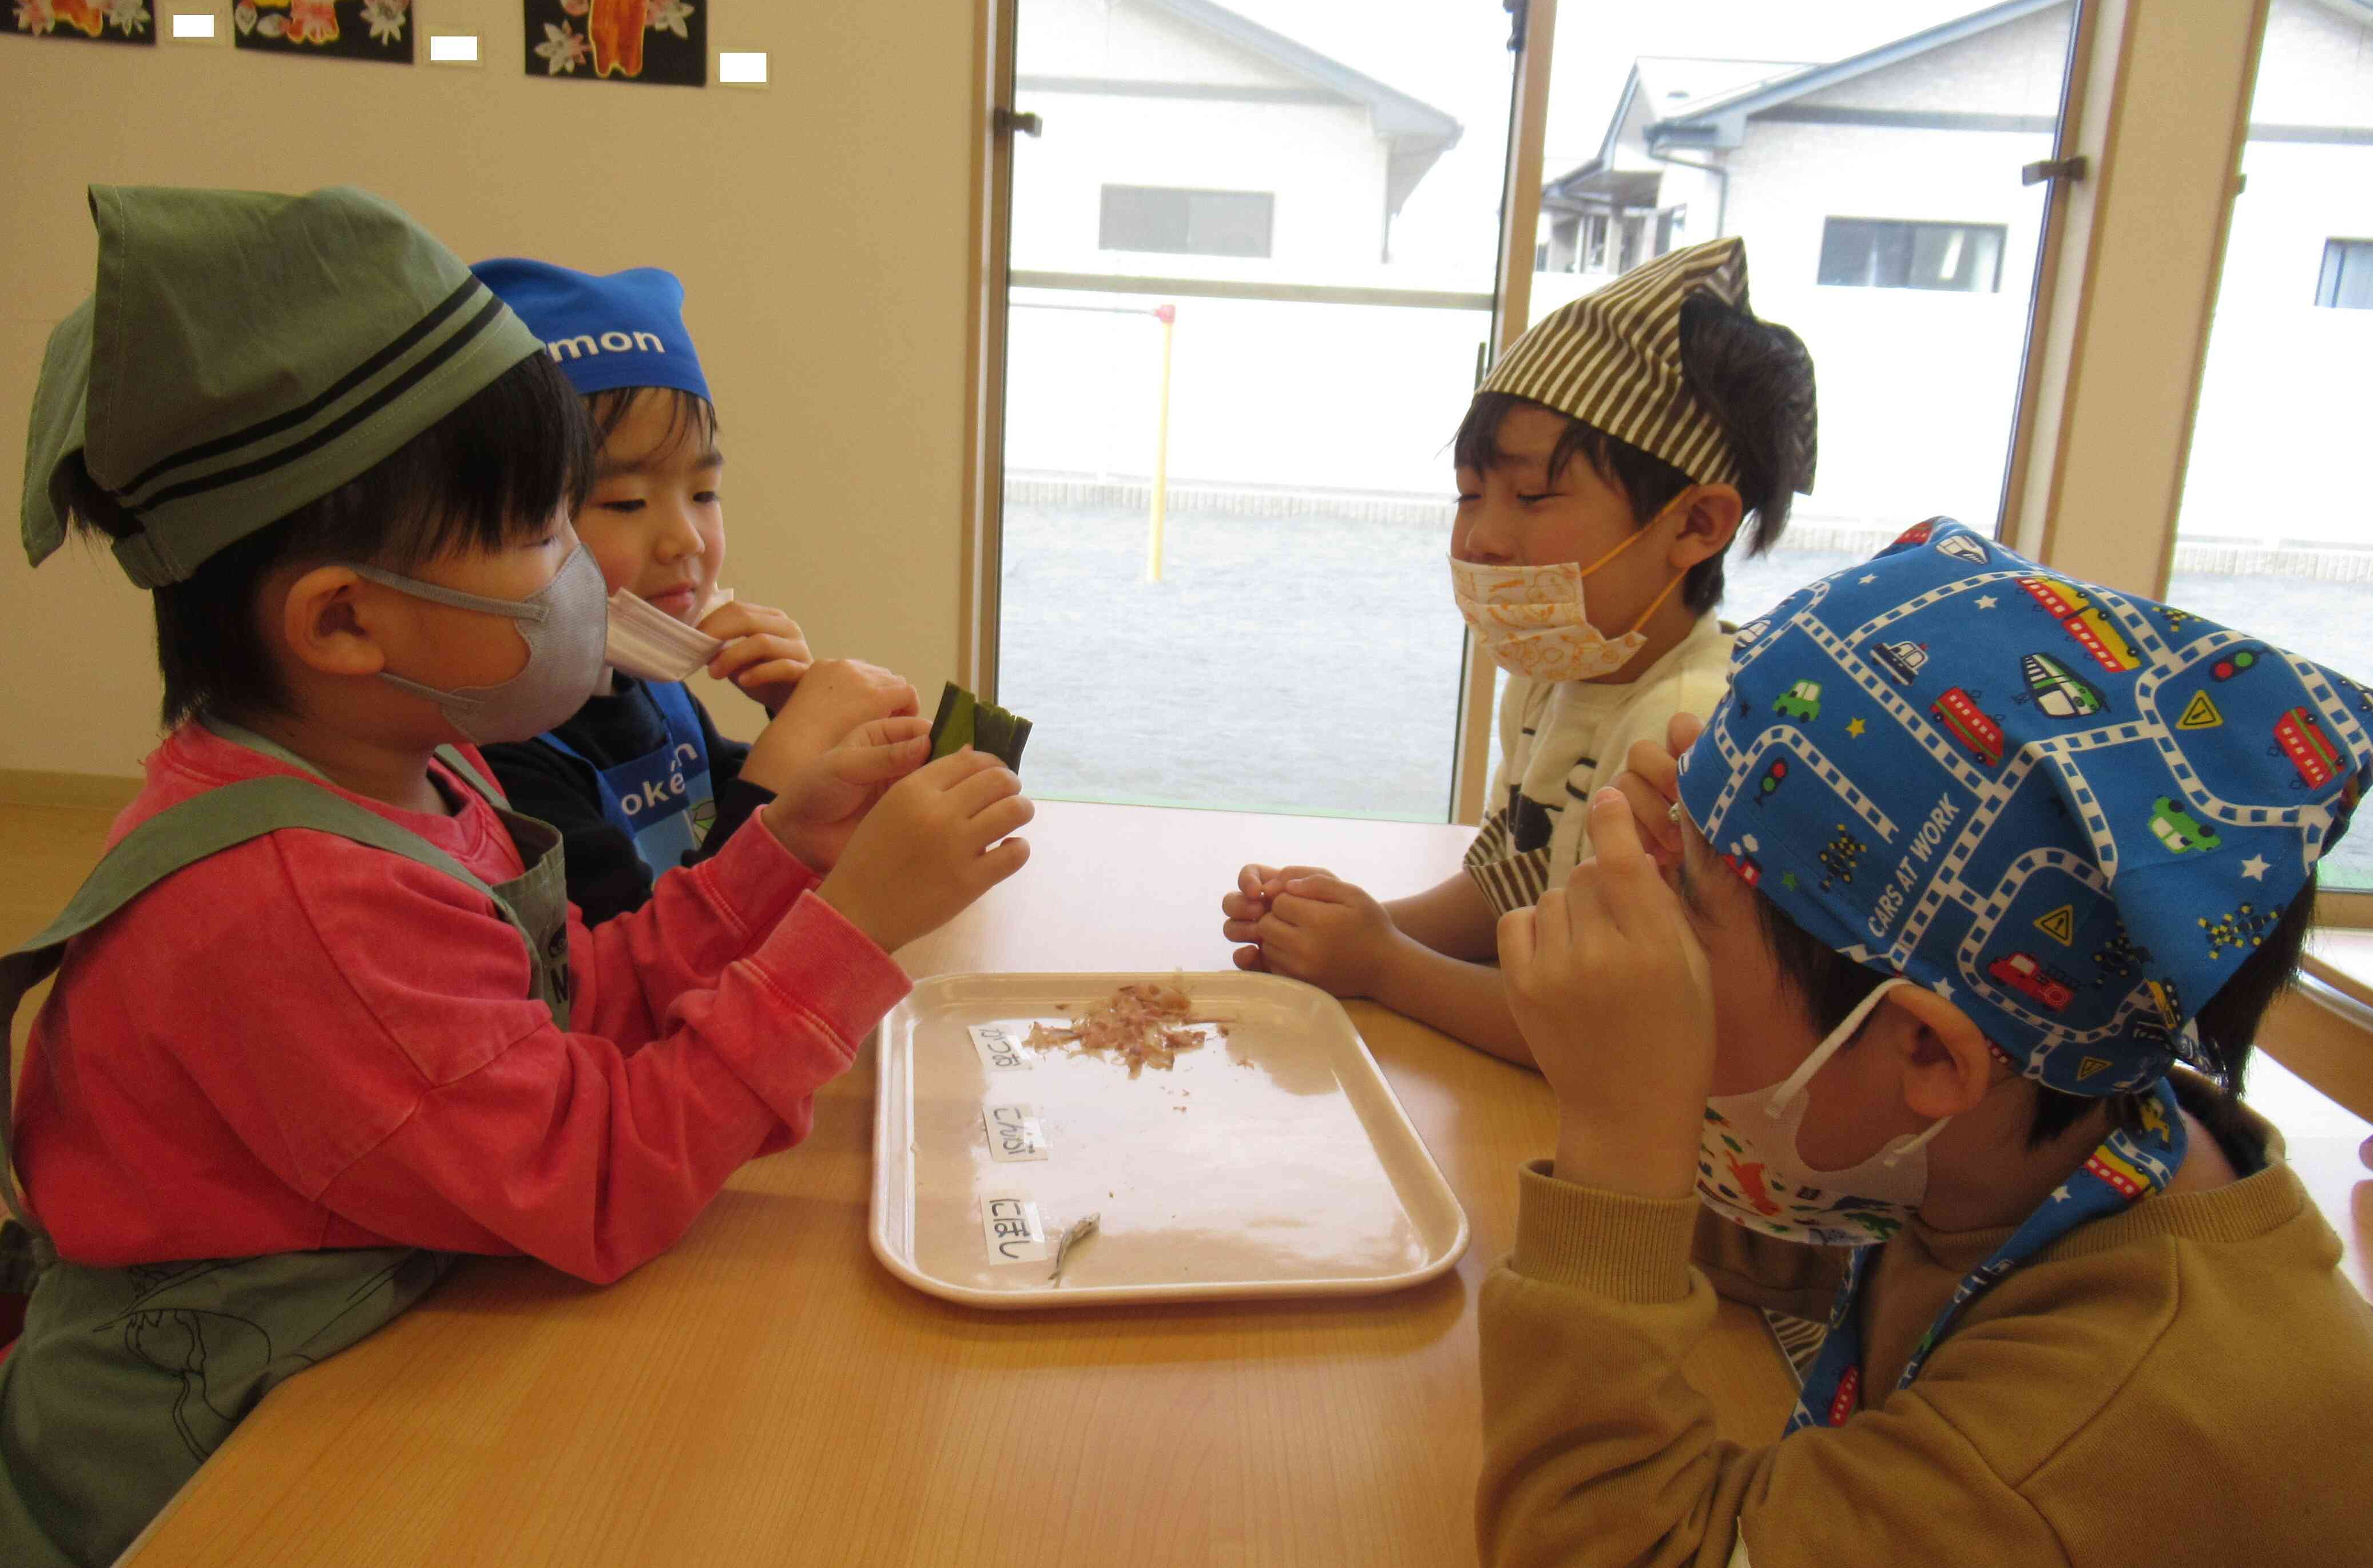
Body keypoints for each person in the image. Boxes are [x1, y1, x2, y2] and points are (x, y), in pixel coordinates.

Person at [0, 186, 1033, 1568]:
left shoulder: (418, 764)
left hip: (398, 1291)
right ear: (345, 618)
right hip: (222, 1450)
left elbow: (559, 1003)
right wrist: (849, 933)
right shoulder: (291, 897)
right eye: (544, 532)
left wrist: (784, 853)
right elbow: (597, 1176)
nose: (589, 578)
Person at [1481, 518, 2373, 1565]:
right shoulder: (2035, 1129)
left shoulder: (2080, 1430)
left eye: (1686, 921)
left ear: (1931, 1056)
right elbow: (1807, 1243)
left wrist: (1617, 1150)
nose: (1648, 937)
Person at [1221, 237, 1818, 1063]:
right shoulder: (1559, 671)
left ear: (1694, 524)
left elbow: (1613, 1031)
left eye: (1532, 496)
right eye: (1470, 495)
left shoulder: (1685, 731)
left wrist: (1386, 966)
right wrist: (1355, 922)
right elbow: (1520, 876)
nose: (1484, 537)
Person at [469, 258, 914, 924]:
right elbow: (653, 966)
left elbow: (720, 806)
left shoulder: (653, 687)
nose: (688, 540)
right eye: (624, 502)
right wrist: (785, 766)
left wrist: (804, 730)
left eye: (704, 493)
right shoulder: (500, 758)